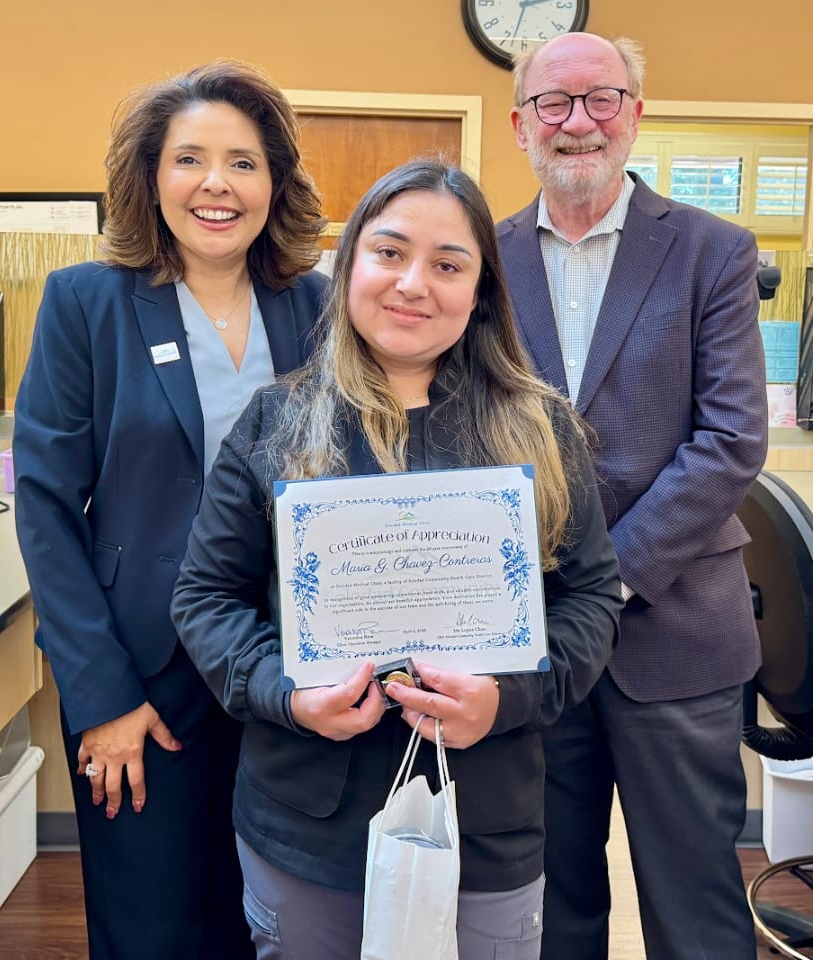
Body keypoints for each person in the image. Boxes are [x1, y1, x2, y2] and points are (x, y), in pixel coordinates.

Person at [171, 159, 622, 960]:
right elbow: (205, 597)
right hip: (307, 822)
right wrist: (285, 692)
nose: (413, 283)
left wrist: (507, 698)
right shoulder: (277, 421)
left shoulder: (541, 432)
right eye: (388, 253)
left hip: (486, 826)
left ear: (481, 291)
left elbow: (591, 599)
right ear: (349, 268)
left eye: (448, 265)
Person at [12, 60, 327, 959]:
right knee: (150, 923)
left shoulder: (317, 306)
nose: (216, 184)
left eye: (243, 161)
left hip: (284, 664)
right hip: (141, 673)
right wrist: (100, 695)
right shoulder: (87, 302)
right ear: (152, 176)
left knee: (269, 914)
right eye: (190, 159)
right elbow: (44, 504)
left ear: (275, 181)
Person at [498, 33, 769, 960]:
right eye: (554, 104)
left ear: (637, 112)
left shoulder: (714, 253)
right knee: (550, 905)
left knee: (695, 909)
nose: (579, 123)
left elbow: (733, 441)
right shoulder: (478, 262)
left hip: (678, 628)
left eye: (601, 98)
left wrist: (605, 582)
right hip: (527, 635)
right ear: (519, 124)